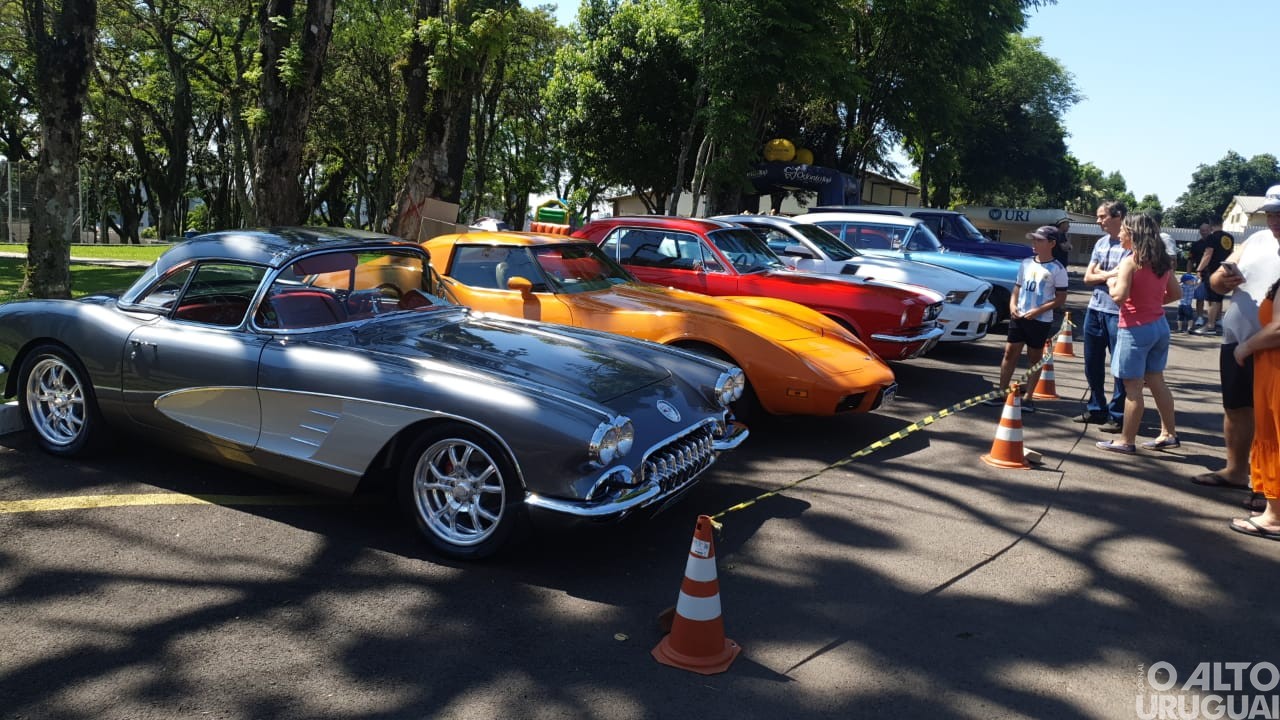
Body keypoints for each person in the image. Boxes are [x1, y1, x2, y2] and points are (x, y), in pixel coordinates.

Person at [1193, 184, 1280, 495]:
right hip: (1237, 340)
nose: (1274, 220)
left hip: (1271, 347)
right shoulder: (1256, 240)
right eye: (1270, 214)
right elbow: (1217, 283)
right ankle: (1236, 471)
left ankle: (1269, 490)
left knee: (1273, 419)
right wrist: (1222, 278)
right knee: (1236, 407)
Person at [1096, 213, 1181, 453]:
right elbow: (1176, 294)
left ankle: (1126, 441)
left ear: (1133, 234)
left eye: (1123, 230)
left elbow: (1119, 296)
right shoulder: (1162, 261)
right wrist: (1151, 303)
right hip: (1159, 326)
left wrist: (1110, 282)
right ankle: (1169, 434)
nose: (1120, 234)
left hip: (1135, 329)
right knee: (1157, 381)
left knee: (1132, 388)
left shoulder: (1130, 261)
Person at [984, 226, 1068, 413]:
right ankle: (1002, 392)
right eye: (1033, 239)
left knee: (1034, 357)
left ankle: (1028, 397)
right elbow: (1017, 287)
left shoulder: (1058, 269)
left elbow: (1061, 298)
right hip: (1019, 316)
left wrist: (1038, 311)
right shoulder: (1026, 263)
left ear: (1052, 243)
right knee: (1009, 353)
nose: (1034, 243)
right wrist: (1012, 305)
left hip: (1040, 320)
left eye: (1039, 240)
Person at [1228, 273, 1280, 539]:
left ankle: (1275, 516)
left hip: (1276, 372)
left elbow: (1278, 329)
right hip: (1269, 370)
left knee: (1275, 437)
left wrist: (1245, 347)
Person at [1076, 200, 1129, 431]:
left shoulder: (1131, 245)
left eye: (1102, 216)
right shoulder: (1100, 242)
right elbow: (1087, 278)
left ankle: (1118, 414)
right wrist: (1110, 275)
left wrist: (1101, 274)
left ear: (1118, 216)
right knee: (1092, 362)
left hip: (1119, 313)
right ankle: (1097, 408)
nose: (1098, 221)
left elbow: (1125, 278)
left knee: (1120, 366)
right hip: (1095, 309)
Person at [1190, 222, 1235, 335]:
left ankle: (1210, 326)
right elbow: (1231, 254)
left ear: (1211, 226)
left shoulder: (1212, 237)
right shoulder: (1229, 237)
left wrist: (1199, 269)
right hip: (1224, 270)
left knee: (1211, 300)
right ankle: (1217, 321)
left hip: (1212, 272)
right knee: (1218, 298)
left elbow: (1208, 254)